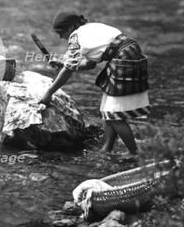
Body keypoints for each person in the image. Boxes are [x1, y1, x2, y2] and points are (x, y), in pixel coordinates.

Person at [38, 11, 150, 155]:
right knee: (108, 109)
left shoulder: (75, 37)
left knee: (115, 115)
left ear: (71, 26)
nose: (60, 37)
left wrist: (48, 93)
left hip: (123, 59)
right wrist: (63, 63)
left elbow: (68, 71)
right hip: (130, 52)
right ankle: (107, 148)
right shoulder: (91, 29)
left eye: (61, 32)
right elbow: (89, 64)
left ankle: (135, 153)